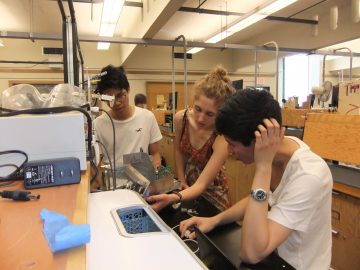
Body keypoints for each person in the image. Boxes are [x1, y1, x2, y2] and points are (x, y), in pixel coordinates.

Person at [179, 89, 332, 270]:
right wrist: (215, 220)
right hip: (274, 258)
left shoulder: (308, 176)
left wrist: (263, 168)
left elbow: (251, 253)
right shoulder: (277, 150)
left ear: (260, 141)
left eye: (233, 144)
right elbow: (260, 199)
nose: (229, 151)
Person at [147, 66, 235, 212]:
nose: (200, 118)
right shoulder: (181, 119)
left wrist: (176, 196)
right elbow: (178, 151)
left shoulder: (221, 136)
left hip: (213, 195)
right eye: (198, 109)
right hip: (187, 186)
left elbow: (202, 185)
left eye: (210, 114)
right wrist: (181, 180)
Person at [94, 65, 162, 171]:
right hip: (113, 184)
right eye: (110, 99)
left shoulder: (147, 117)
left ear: (128, 89)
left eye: (120, 95)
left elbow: (155, 153)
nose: (116, 103)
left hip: (142, 182)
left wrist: (156, 169)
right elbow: (97, 164)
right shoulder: (98, 124)